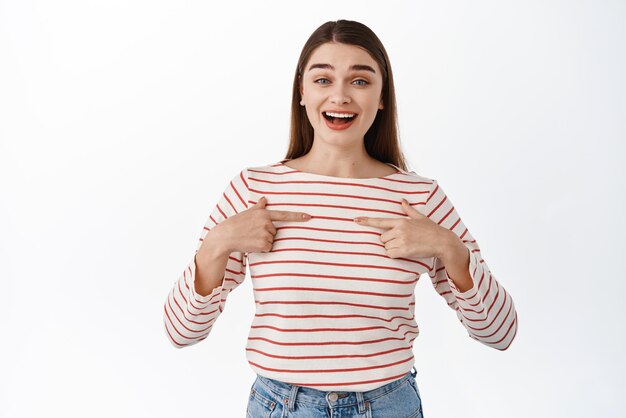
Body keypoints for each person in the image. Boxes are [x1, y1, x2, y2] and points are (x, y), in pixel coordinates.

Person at [163, 19, 518, 418]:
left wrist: (451, 250)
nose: (340, 96)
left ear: (382, 96)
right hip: (281, 406)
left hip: (389, 406)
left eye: (360, 81)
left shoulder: (420, 198)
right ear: (301, 91)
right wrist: (217, 243)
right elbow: (181, 333)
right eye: (323, 80)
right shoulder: (254, 189)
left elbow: (500, 333)